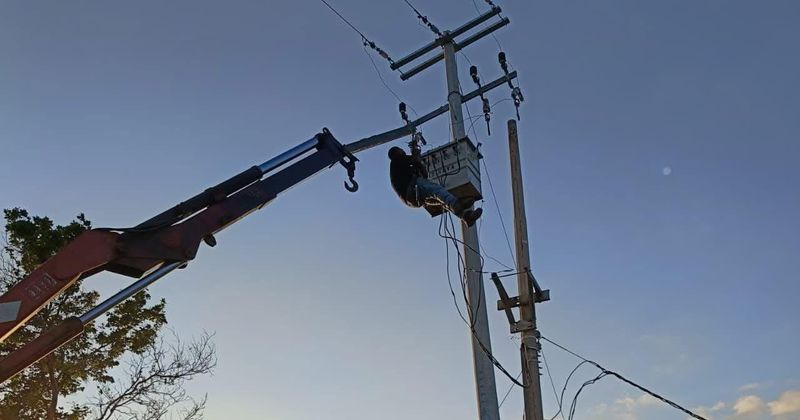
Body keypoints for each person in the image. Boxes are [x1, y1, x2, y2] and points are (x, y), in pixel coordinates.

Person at [388, 146, 483, 226]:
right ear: (397, 152)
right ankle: (456, 204)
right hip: (411, 190)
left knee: (442, 200)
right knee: (436, 189)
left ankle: (466, 217)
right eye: (401, 150)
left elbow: (424, 174)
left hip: (413, 200)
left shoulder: (402, 169)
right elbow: (414, 159)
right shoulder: (397, 160)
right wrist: (415, 153)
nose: (403, 151)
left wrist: (418, 163)